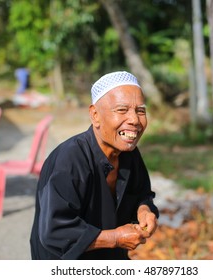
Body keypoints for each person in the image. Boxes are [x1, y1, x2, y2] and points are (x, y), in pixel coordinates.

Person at [30, 71, 159, 260]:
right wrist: (115, 238)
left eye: (140, 111)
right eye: (122, 110)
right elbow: (54, 231)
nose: (134, 120)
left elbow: (142, 195)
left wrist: (144, 211)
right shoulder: (70, 159)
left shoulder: (129, 153)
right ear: (95, 115)